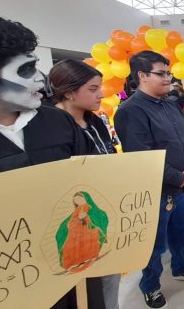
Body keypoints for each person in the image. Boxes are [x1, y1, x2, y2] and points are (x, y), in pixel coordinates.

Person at [0, 13, 102, 309]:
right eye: (26, 69)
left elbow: (93, 181)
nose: (41, 80)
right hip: (4, 284)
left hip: (74, 266)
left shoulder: (58, 122)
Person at [114, 51, 184, 309]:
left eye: (169, 73)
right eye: (162, 73)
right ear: (142, 76)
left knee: (181, 232)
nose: (168, 78)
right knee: (153, 243)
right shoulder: (130, 110)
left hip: (182, 185)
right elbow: (141, 155)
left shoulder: (170, 103)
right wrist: (178, 177)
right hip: (157, 190)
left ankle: (182, 266)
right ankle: (151, 285)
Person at [49, 59, 120, 308]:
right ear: (68, 91)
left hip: (103, 210)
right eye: (93, 89)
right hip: (75, 224)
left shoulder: (96, 121)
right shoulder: (50, 127)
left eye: (100, 87)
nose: (101, 94)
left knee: (110, 276)